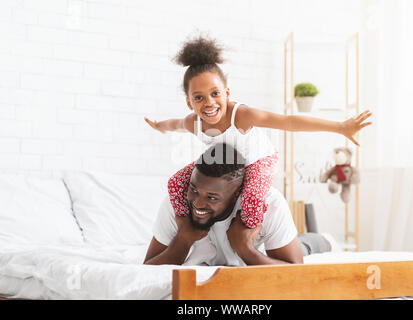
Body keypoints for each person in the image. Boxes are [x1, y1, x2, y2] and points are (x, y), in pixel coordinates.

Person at [145, 35, 372, 231]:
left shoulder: (241, 116)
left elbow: (288, 122)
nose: (209, 103)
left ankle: (249, 236)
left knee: (252, 198)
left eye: (215, 93)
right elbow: (173, 124)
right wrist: (158, 126)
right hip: (223, 162)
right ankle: (187, 228)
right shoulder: (192, 122)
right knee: (175, 183)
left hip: (257, 160)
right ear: (189, 103)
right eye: (199, 98)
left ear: (226, 93)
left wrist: (340, 127)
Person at [143, 143, 330, 266]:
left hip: (271, 250)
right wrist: (183, 240)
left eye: (212, 197)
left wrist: (245, 250)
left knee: (307, 245)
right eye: (194, 189)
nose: (198, 203)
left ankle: (323, 239)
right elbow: (146, 268)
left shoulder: (268, 204)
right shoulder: (177, 205)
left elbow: (295, 272)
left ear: (236, 195)